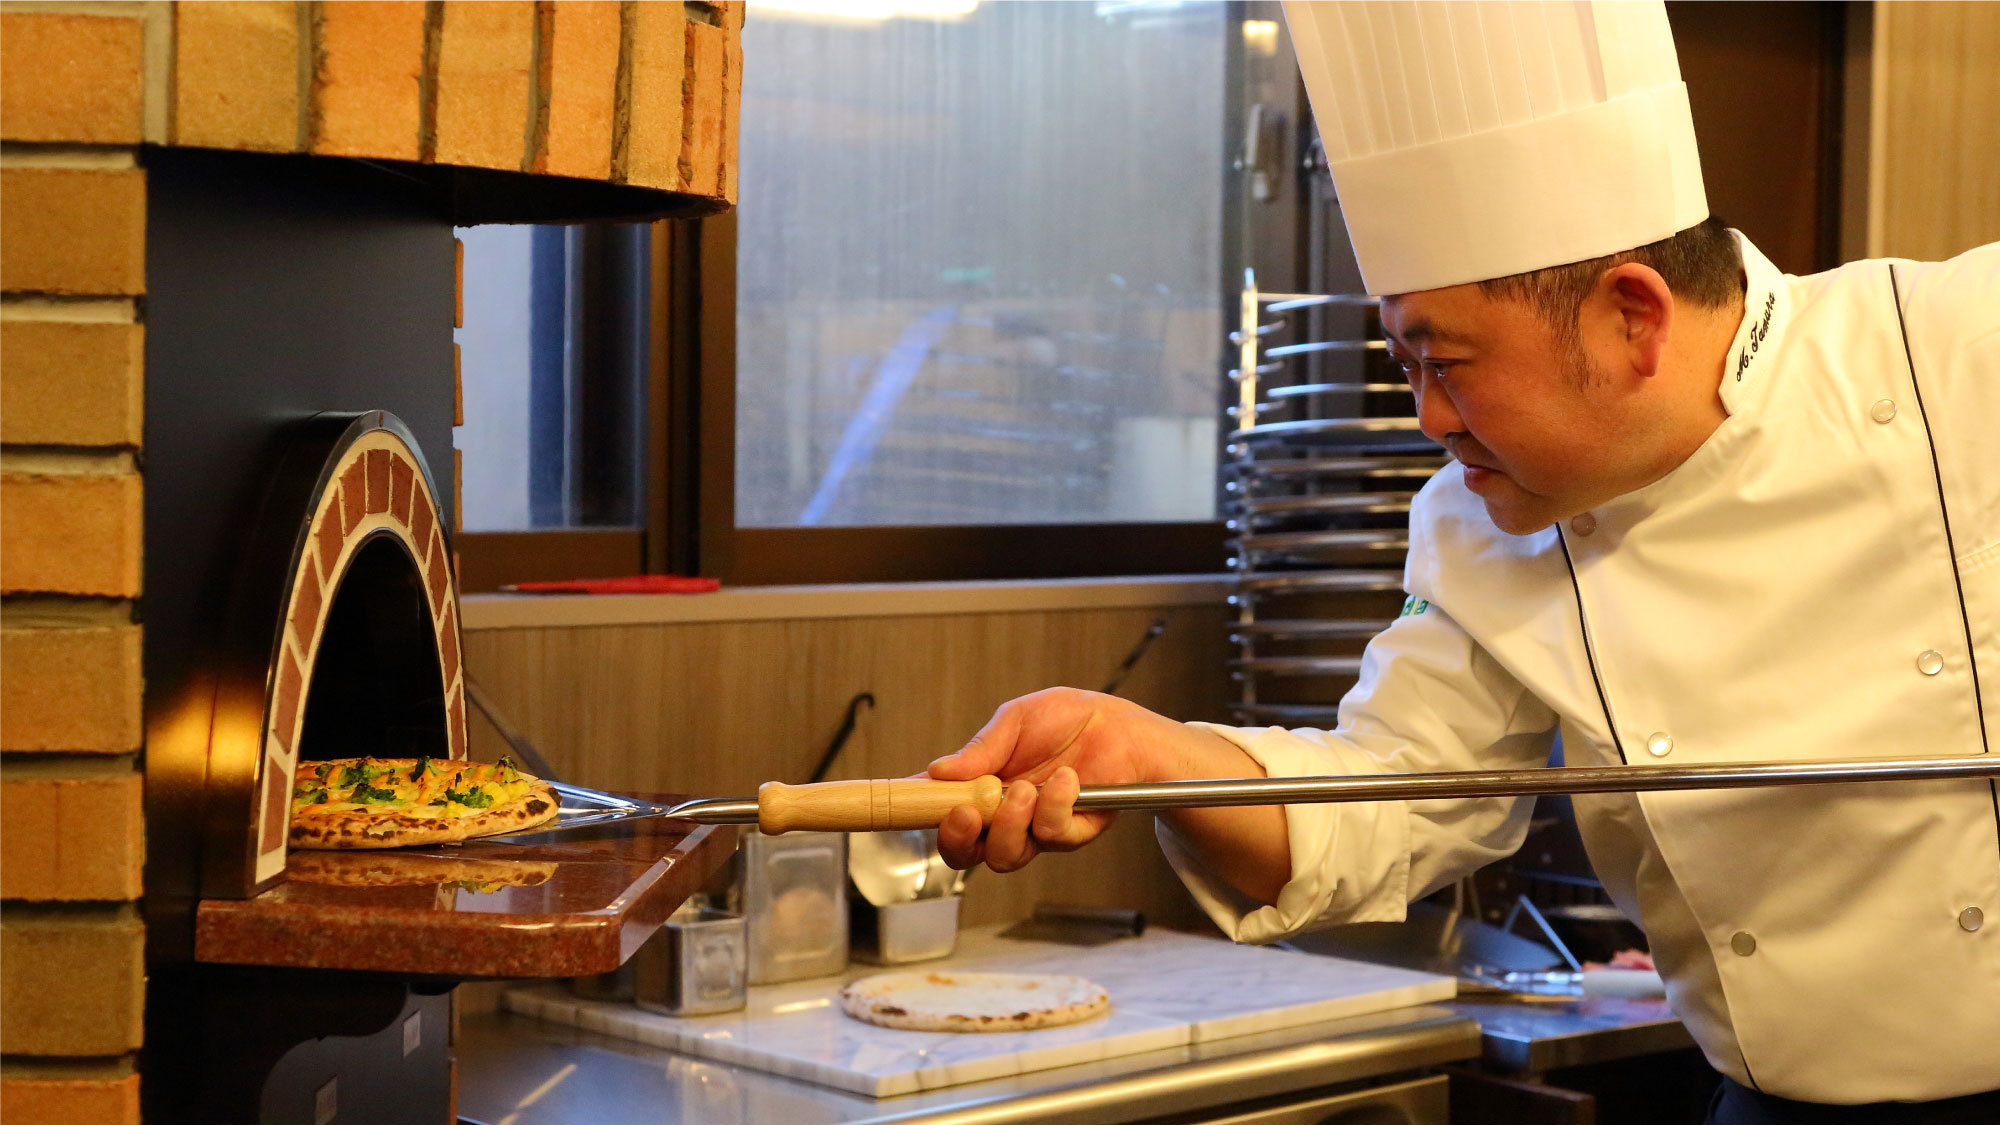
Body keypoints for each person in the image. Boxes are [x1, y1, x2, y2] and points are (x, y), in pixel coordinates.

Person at [926, 3, 2000, 1122]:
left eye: (1446, 363)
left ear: (1632, 316)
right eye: (1403, 362)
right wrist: (1150, 756)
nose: (1427, 416)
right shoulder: (1484, 522)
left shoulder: (1956, 347)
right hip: (1777, 1103)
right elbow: (1391, 799)